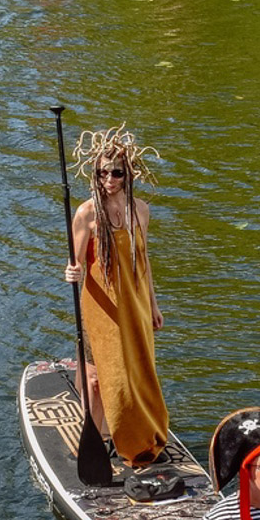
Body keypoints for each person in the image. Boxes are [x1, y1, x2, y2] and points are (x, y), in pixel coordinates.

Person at [63, 125, 168, 468]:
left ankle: (135, 434)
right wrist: (71, 272)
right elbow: (75, 262)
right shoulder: (86, 213)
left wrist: (153, 305)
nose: (109, 178)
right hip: (101, 302)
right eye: (102, 172)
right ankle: (96, 436)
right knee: (98, 375)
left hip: (135, 301)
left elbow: (144, 260)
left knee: (137, 369)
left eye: (116, 172)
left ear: (129, 173)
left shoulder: (141, 210)